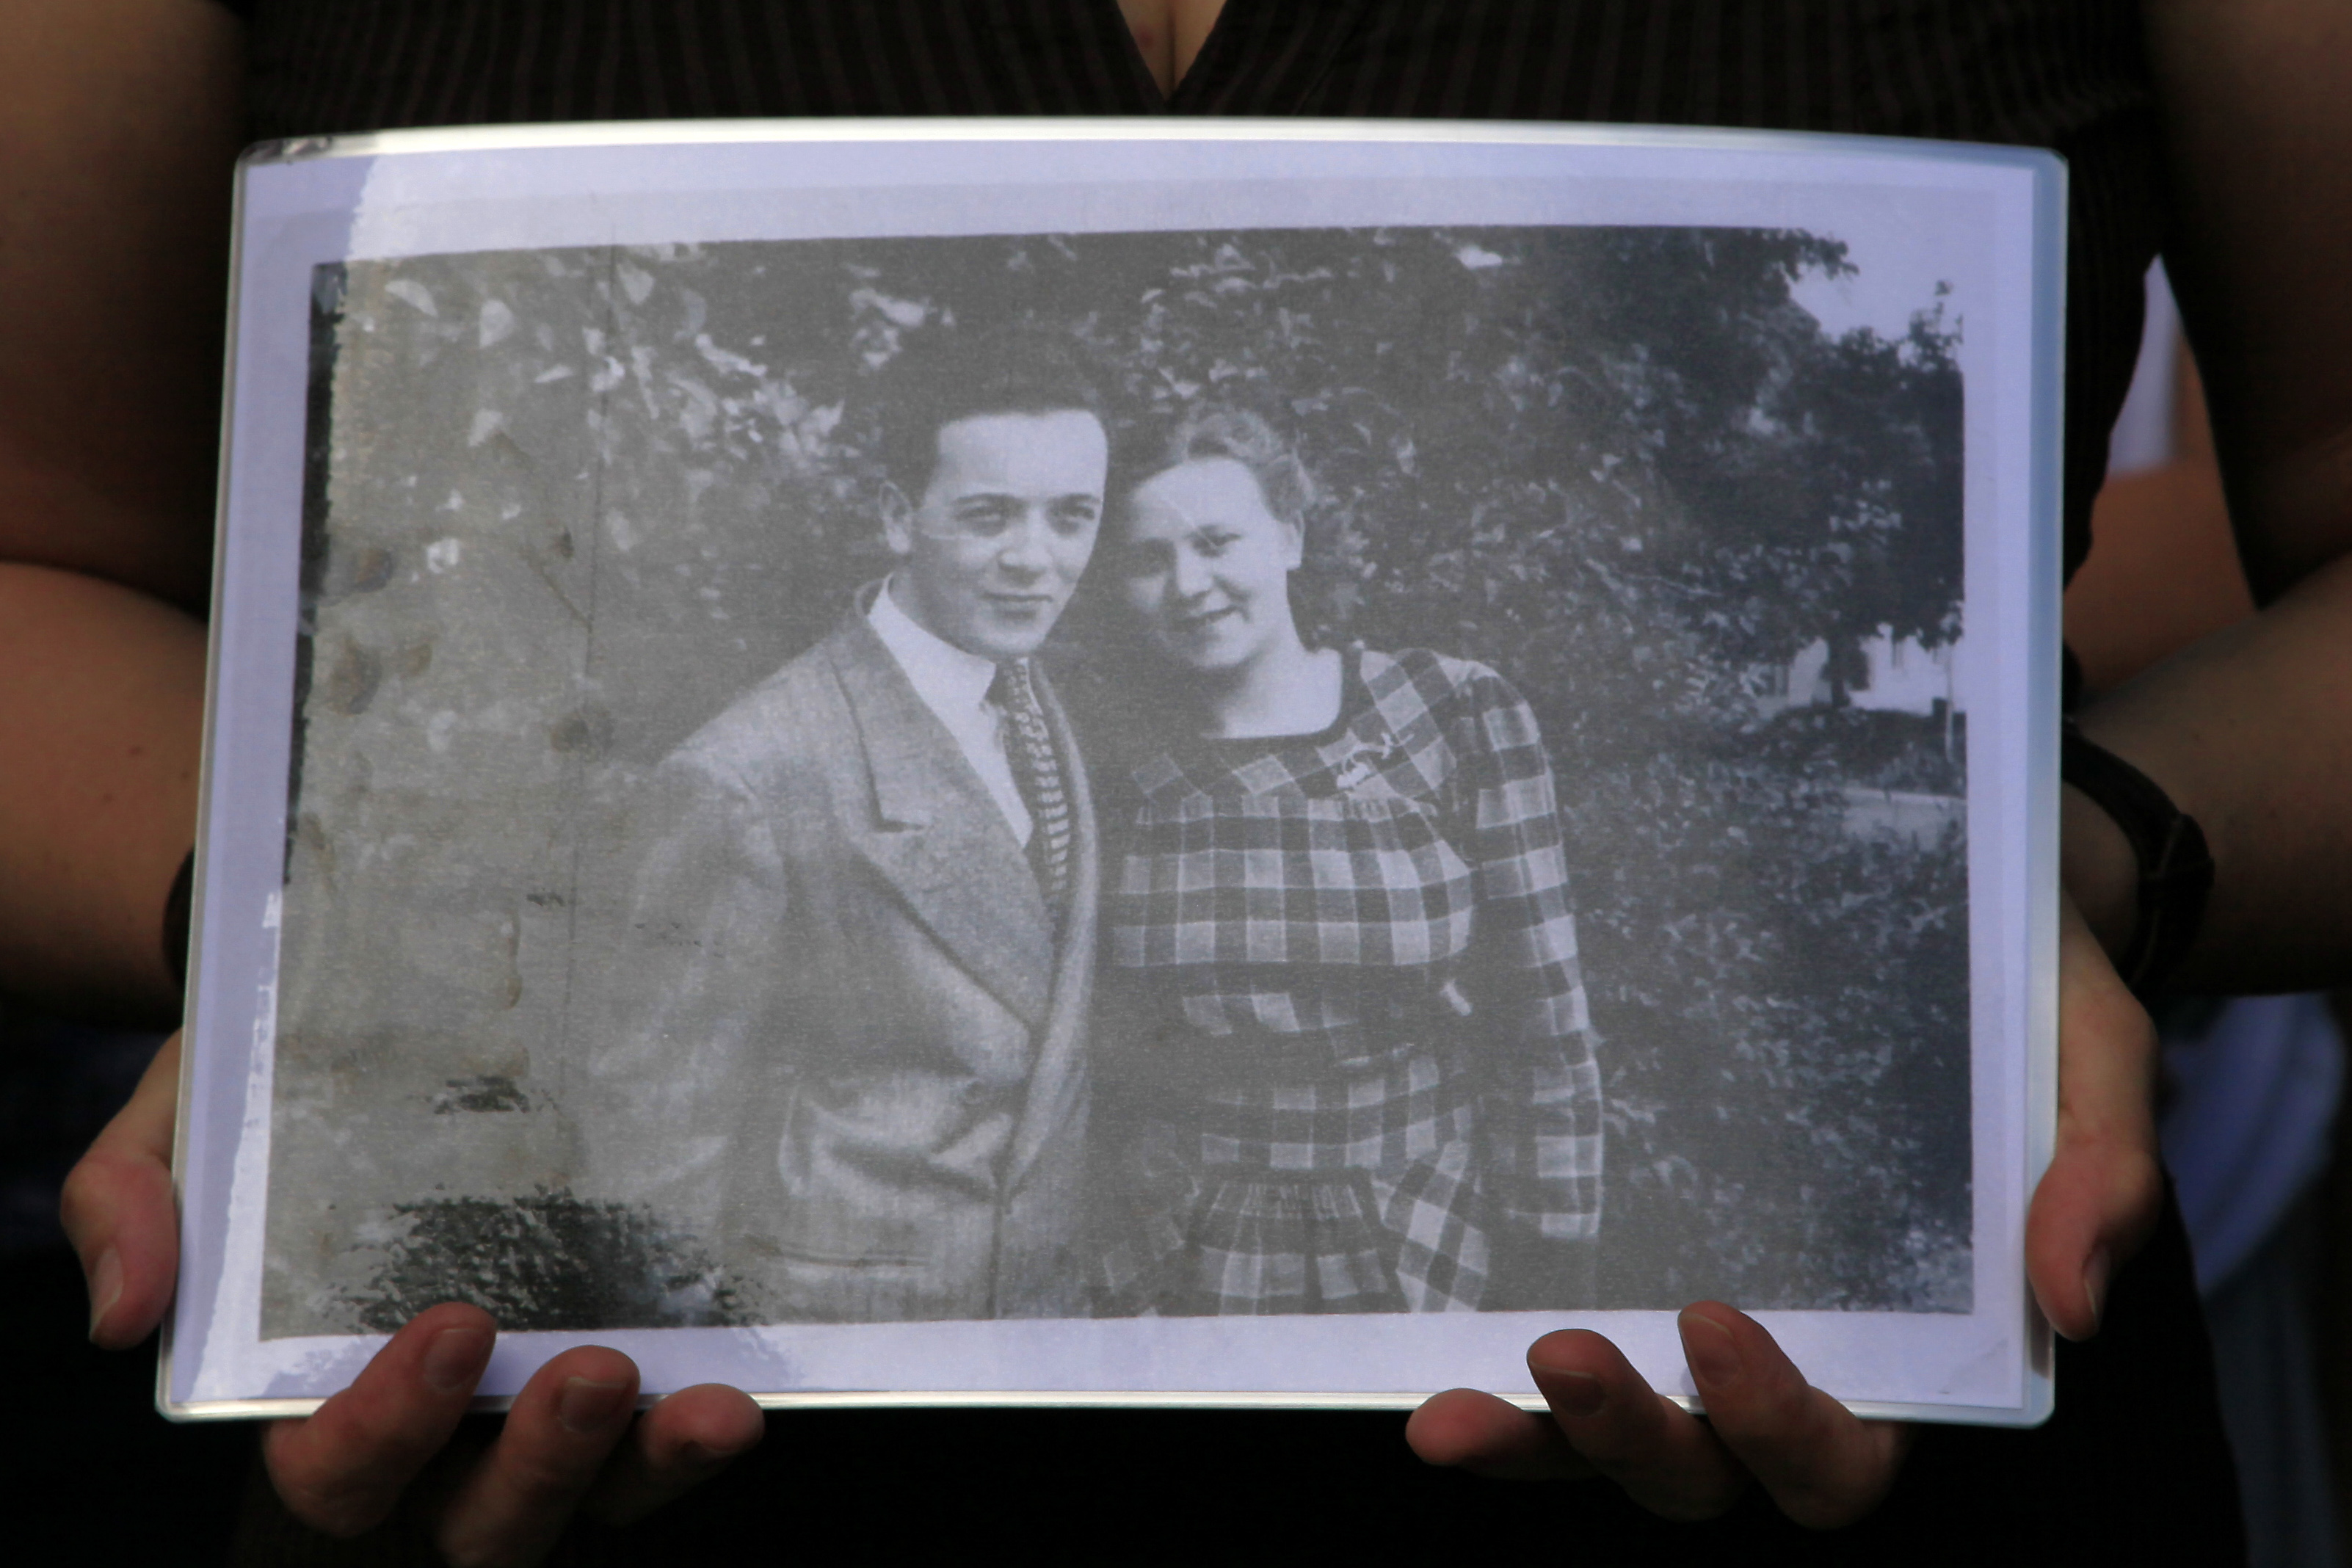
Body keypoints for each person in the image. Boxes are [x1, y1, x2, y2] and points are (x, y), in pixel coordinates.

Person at [24, 1, 2352, 1560]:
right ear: (903, 520)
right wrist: (293, 955)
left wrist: (2069, 860)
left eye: (1098, 521)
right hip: (651, 1477)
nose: (1074, 565)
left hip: (1751, 1449)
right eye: (1033, 524)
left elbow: (1526, 1021)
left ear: (1288, 539)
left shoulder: (1244, 715)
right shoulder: (890, 750)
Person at [577, 327, 1108, 1324]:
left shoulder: (1042, 701)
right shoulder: (750, 771)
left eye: (1071, 517)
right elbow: (657, 1145)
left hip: (1039, 1321)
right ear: (897, 515)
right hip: (843, 1332)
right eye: (989, 515)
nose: (1034, 560)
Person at [1090, 408, 1603, 1316]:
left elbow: (1543, 1014)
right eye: (1149, 559)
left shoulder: (1450, 710)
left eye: (1216, 542)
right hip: (1169, 1245)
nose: (1189, 584)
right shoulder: (1106, 749)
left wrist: (1553, 1249)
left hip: (1421, 1227)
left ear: (1289, 537)